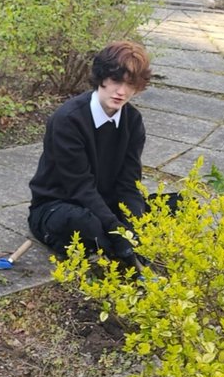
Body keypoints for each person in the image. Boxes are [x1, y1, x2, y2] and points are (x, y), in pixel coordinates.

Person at [28, 41, 154, 268]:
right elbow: (79, 187)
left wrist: (133, 228)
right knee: (86, 225)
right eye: (116, 81)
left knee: (177, 205)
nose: (121, 91)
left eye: (130, 84)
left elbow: (129, 183)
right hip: (59, 204)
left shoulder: (132, 121)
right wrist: (117, 231)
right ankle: (112, 249)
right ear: (101, 78)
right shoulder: (68, 119)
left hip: (105, 203)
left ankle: (118, 247)